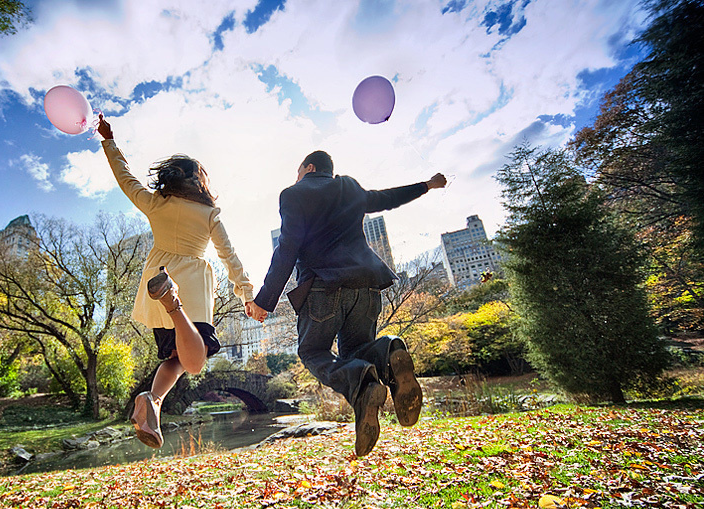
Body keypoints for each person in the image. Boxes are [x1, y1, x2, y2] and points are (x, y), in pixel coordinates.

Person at [248, 150, 446, 456]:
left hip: (323, 288)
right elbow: (385, 199)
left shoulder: (293, 194)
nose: (296, 177)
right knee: (357, 355)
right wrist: (426, 185)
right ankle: (388, 351)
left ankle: (364, 377)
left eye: (297, 171)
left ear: (309, 168)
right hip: (367, 285)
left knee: (312, 351)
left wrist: (265, 300)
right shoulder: (349, 187)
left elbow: (287, 247)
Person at [96, 115, 259, 449]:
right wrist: (245, 293)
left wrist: (108, 141)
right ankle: (173, 300)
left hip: (158, 274)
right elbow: (229, 255)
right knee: (195, 362)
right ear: (199, 182)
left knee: (177, 360)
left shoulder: (157, 203)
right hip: (192, 286)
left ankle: (151, 401)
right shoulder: (209, 214)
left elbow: (125, 179)